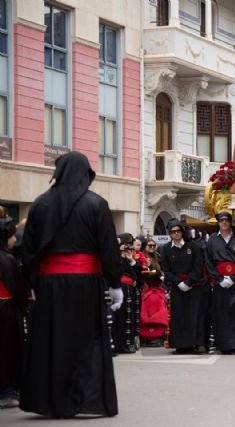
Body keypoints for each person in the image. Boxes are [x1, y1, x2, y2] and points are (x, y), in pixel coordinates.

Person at [20, 151, 122, 418]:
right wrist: (115, 282)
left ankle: (51, 400)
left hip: (49, 284)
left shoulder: (40, 204)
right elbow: (108, 248)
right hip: (85, 284)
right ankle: (85, 399)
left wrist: (32, 280)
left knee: (51, 340)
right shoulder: (96, 204)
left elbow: (28, 249)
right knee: (87, 340)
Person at [205, 212, 235, 355]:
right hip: (220, 281)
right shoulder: (212, 240)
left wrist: (234, 278)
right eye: (221, 220)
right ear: (218, 222)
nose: (224, 223)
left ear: (231, 222)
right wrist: (219, 279)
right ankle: (226, 344)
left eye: (227, 220)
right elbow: (208, 261)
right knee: (223, 312)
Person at [159, 218, 205, 354]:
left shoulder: (193, 247)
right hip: (177, 286)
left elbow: (198, 266)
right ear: (170, 234)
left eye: (178, 231)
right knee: (178, 315)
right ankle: (180, 345)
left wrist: (189, 282)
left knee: (194, 314)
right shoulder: (165, 249)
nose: (176, 233)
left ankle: (197, 343)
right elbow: (166, 269)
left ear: (182, 231)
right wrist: (178, 282)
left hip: (193, 285)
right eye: (173, 232)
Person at [0, 208, 27, 409]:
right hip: (7, 310)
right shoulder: (7, 259)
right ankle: (5, 392)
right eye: (11, 236)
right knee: (7, 352)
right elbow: (17, 289)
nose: (14, 240)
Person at [112, 233, 142, 354]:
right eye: (126, 244)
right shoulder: (114, 256)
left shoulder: (128, 258)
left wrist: (131, 260)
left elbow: (138, 274)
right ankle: (119, 344)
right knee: (120, 318)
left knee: (129, 318)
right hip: (120, 289)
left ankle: (127, 343)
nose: (128, 247)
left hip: (130, 290)